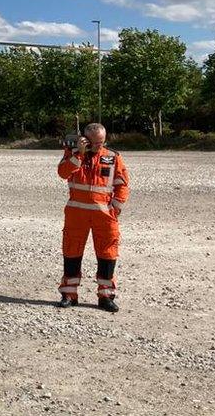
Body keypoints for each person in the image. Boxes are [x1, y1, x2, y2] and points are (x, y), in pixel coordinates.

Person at [55, 123, 129, 312]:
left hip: (105, 215)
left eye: (101, 142)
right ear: (84, 139)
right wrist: (78, 153)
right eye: (93, 142)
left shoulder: (113, 157)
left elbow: (122, 184)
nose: (97, 145)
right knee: (71, 252)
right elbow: (63, 173)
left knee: (108, 253)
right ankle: (69, 294)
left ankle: (106, 296)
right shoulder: (72, 153)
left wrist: (116, 208)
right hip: (76, 213)